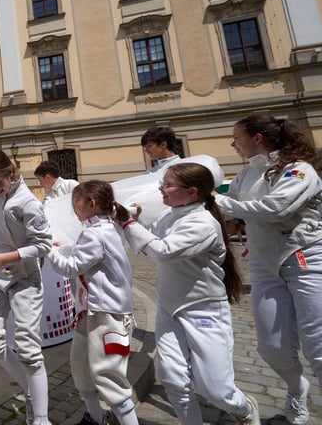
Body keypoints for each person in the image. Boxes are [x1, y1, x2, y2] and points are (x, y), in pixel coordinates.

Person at [118, 162, 259, 425]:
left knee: (216, 391)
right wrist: (134, 219)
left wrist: (126, 222)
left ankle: (245, 410)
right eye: (163, 183)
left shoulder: (203, 223)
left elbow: (162, 249)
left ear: (192, 191)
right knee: (173, 380)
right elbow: (146, 240)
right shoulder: (170, 216)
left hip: (203, 311)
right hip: (169, 310)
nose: (162, 189)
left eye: (168, 185)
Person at [214, 113, 322, 425]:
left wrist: (223, 205)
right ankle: (295, 388)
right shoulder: (246, 175)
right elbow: (222, 206)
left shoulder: (299, 170)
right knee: (271, 346)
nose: (233, 143)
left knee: (317, 345)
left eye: (237, 136)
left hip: (305, 259)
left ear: (257, 138)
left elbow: (278, 208)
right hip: (263, 264)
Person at [46, 180, 139, 425]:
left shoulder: (94, 232)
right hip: (91, 313)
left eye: (76, 202)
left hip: (106, 315)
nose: (74, 208)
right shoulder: (106, 227)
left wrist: (46, 248)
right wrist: (63, 248)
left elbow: (71, 267)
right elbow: (87, 255)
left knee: (109, 379)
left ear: (91, 204)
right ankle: (95, 419)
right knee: (81, 368)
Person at [0, 147, 53, 425]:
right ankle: (31, 390)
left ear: (10, 172)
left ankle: (41, 417)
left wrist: (3, 258)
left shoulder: (29, 203)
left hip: (24, 280)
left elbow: (43, 245)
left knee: (29, 350)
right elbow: (2, 213)